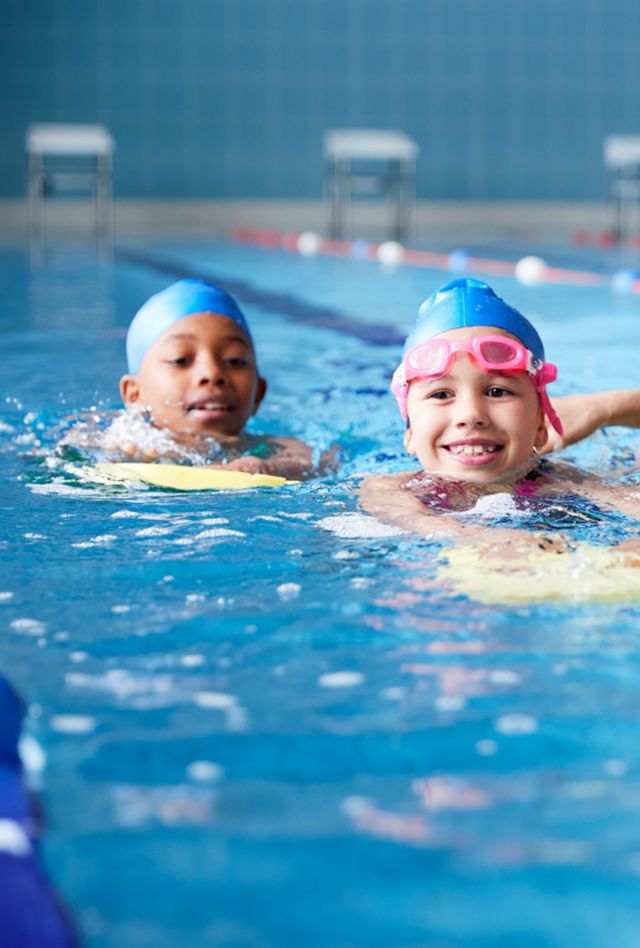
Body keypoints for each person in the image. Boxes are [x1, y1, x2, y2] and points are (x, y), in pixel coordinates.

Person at [360, 278, 640, 557]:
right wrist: (486, 538)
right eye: (442, 395)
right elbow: (419, 521)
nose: (471, 415)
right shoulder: (392, 488)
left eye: (496, 391)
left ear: (541, 427)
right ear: (409, 432)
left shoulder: (563, 480)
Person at [65, 279, 323, 480]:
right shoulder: (124, 439)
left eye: (234, 360)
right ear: (134, 394)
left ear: (259, 393)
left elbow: (315, 463)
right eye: (180, 360)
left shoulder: (272, 449)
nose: (211, 374)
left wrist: (262, 467)